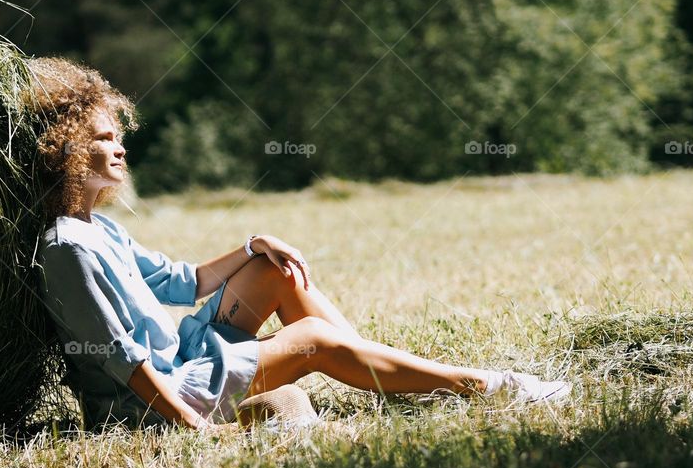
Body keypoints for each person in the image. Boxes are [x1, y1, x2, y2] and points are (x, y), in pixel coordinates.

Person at [29, 57, 571, 434]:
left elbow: (184, 282)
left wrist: (251, 245)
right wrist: (194, 427)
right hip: (156, 403)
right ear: (65, 149)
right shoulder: (67, 248)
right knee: (312, 337)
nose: (120, 148)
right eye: (103, 138)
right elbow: (122, 360)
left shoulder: (101, 230)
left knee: (276, 271)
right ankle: (490, 387)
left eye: (118, 136)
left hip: (186, 362)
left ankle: (381, 372)